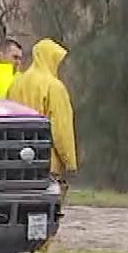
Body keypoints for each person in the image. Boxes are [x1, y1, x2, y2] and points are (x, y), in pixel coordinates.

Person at [7, 39, 78, 183]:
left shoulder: (16, 83)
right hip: (46, 162)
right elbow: (61, 129)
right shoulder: (54, 87)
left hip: (17, 160)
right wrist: (69, 161)